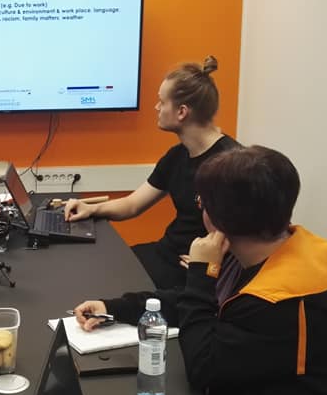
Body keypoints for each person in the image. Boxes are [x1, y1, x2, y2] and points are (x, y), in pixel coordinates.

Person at [81, 146, 327, 395]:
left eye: (202, 202)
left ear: (215, 218)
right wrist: (117, 307)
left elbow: (203, 365)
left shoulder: (279, 301)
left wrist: (200, 272)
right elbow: (201, 302)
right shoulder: (278, 247)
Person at [65, 56, 240, 290]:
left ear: (182, 112)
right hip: (166, 253)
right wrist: (91, 209)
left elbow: (248, 236)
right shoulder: (177, 156)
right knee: (93, 269)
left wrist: (210, 268)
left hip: (190, 270)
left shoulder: (232, 164)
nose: (157, 108)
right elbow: (132, 205)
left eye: (162, 102)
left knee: (101, 287)